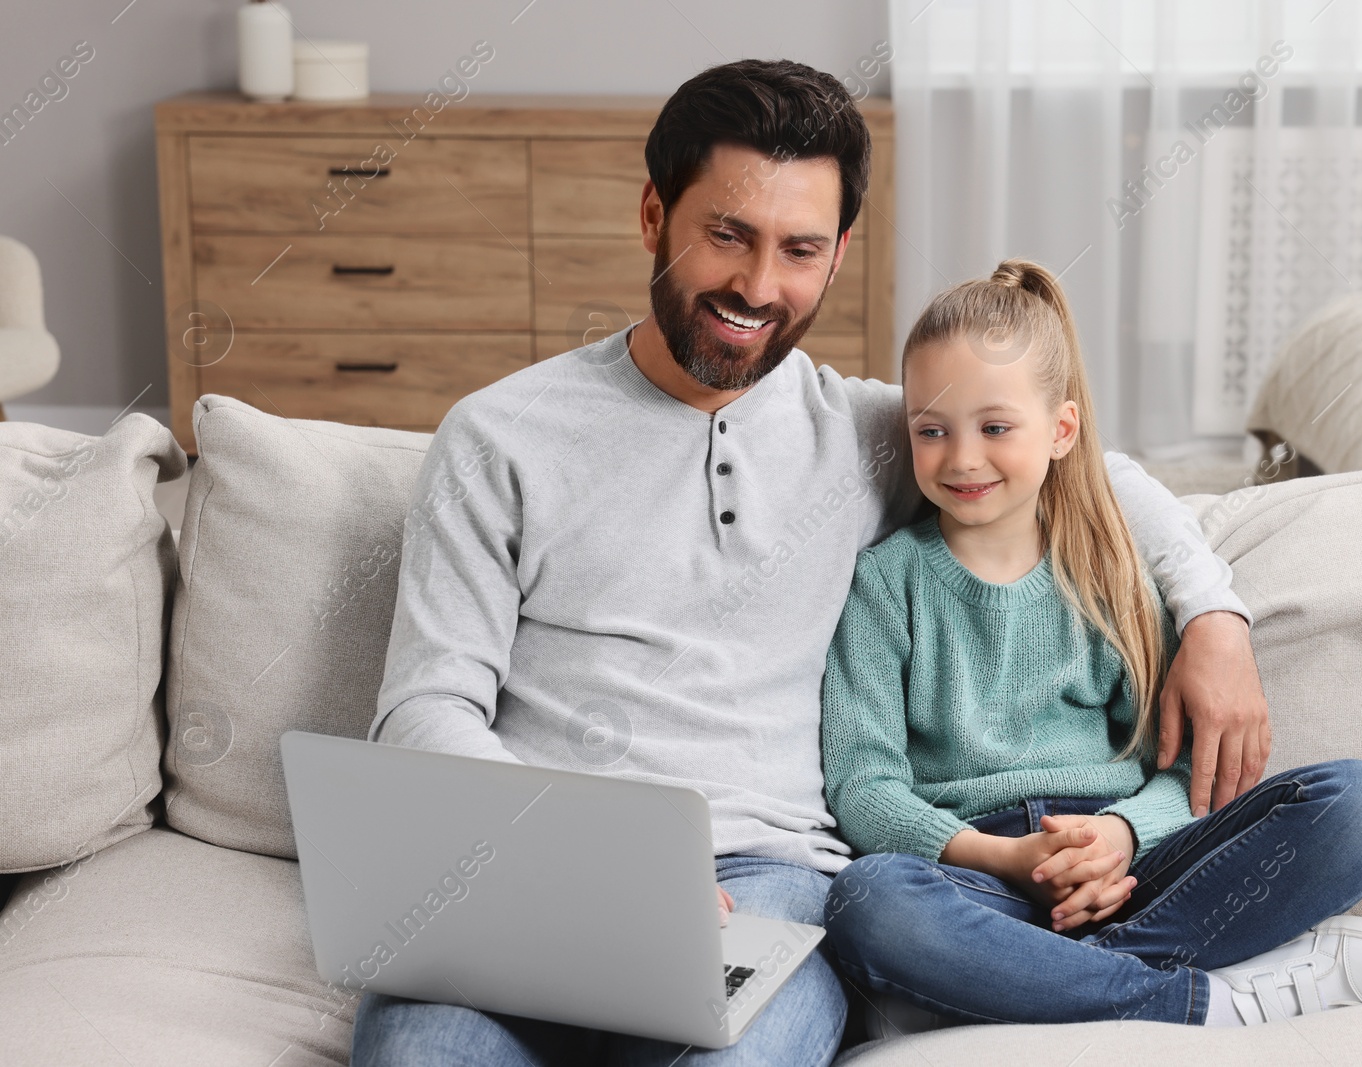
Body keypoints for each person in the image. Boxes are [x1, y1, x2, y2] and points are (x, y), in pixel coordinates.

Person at [352, 60, 1272, 1066]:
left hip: (770, 879)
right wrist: (592, 856)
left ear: (837, 256)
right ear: (654, 215)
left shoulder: (876, 434)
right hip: (531, 872)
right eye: (727, 236)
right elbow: (426, 706)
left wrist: (1216, 617)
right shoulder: (499, 435)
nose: (756, 286)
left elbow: (1090, 468)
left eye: (797, 249)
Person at [819, 259, 1362, 1030]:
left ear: (1062, 430)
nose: (962, 457)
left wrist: (1122, 834)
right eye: (932, 430)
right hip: (981, 877)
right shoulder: (884, 583)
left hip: (1130, 861)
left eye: (996, 427)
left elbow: (1184, 770)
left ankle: (1041, 981)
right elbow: (864, 787)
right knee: (867, 902)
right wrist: (1005, 859)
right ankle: (1194, 998)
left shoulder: (1109, 571)